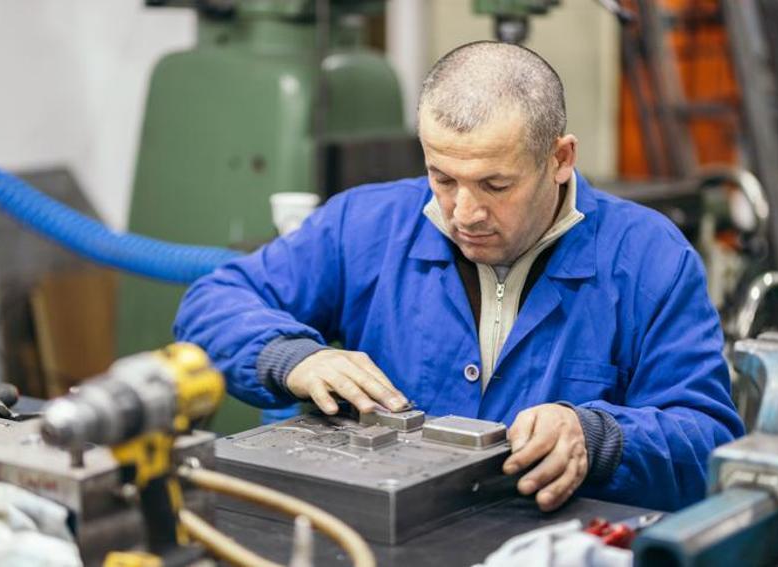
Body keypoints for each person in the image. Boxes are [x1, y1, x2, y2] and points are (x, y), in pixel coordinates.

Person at [174, 41, 744, 512]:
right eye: (442, 177)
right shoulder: (367, 225)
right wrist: (291, 358)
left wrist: (598, 437)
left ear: (560, 158)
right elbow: (213, 304)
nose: (463, 212)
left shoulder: (648, 257)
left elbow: (710, 442)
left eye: (495, 185)